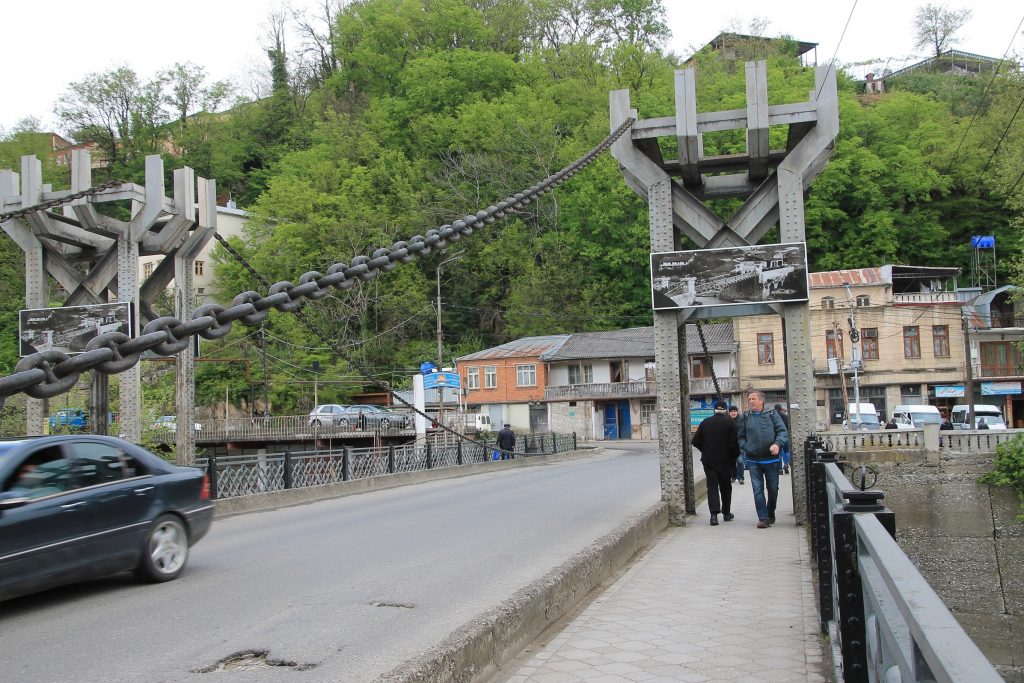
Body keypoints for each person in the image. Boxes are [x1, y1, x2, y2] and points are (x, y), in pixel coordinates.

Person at [738, 390, 789, 529]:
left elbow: (782, 431)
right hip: (753, 461)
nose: (751, 402)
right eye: (749, 399)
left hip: (771, 460)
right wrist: (746, 447)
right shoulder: (745, 417)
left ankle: (770, 511)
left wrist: (777, 444)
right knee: (757, 489)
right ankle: (763, 518)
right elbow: (740, 436)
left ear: (761, 401)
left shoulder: (772, 414)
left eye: (753, 399)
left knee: (773, 490)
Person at [691, 400, 739, 526]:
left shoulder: (705, 422)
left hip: (709, 460)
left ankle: (713, 516)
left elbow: (695, 440)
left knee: (712, 486)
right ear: (726, 410)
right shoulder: (731, 423)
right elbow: (734, 444)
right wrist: (734, 457)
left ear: (714, 410)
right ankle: (726, 513)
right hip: (725, 461)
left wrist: (705, 449)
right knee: (725, 487)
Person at [774, 404, 791, 475]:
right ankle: (786, 464)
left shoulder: (774, 417)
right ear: (781, 409)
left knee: (779, 453)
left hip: (777, 437)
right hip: (786, 436)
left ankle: (780, 469)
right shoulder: (785, 417)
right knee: (787, 451)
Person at [729, 405, 744, 484]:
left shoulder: (741, 419)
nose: (733, 413)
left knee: (740, 461)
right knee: (731, 462)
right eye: (731, 411)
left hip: (739, 443)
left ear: (737, 412)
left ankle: (741, 477)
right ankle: (733, 476)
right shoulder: (727, 420)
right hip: (730, 444)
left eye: (734, 411)